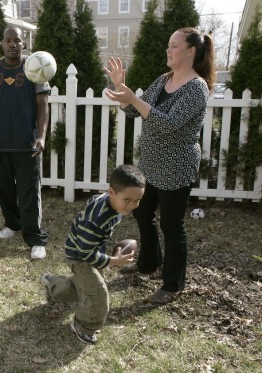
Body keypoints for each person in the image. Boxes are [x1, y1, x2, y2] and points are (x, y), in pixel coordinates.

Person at [103, 28, 215, 305]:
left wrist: (134, 99)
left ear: (191, 51)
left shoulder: (197, 87)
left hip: (177, 167)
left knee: (171, 225)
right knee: (141, 214)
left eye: (174, 46)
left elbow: (168, 124)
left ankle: (173, 285)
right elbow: (132, 110)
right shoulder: (163, 79)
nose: (168, 50)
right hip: (151, 164)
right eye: (168, 44)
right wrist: (120, 87)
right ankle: (148, 264)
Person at [40, 165, 146, 345]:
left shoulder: (113, 204)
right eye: (127, 200)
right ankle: (83, 326)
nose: (132, 206)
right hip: (80, 256)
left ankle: (52, 286)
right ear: (111, 192)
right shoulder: (97, 218)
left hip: (91, 250)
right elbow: (85, 253)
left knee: (85, 286)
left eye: (137, 200)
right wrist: (113, 261)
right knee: (97, 293)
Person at [0, 26, 50, 260]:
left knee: (29, 193)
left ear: (23, 43)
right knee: (4, 189)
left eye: (17, 40)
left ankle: (35, 238)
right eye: (8, 40)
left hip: (26, 145)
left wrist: (41, 136)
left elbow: (43, 106)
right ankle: (13, 224)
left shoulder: (34, 67)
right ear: (2, 43)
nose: (12, 44)